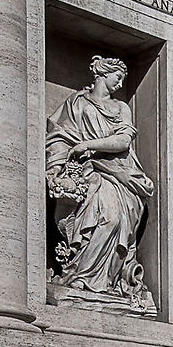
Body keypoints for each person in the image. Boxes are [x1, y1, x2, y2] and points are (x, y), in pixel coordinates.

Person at [44, 55, 155, 306]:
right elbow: (59, 137)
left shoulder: (121, 108)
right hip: (87, 172)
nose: (120, 83)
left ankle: (106, 281)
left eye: (123, 79)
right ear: (103, 73)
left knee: (115, 220)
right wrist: (55, 169)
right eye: (118, 77)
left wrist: (87, 145)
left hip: (118, 174)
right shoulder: (75, 103)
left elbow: (123, 141)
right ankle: (80, 276)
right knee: (96, 220)